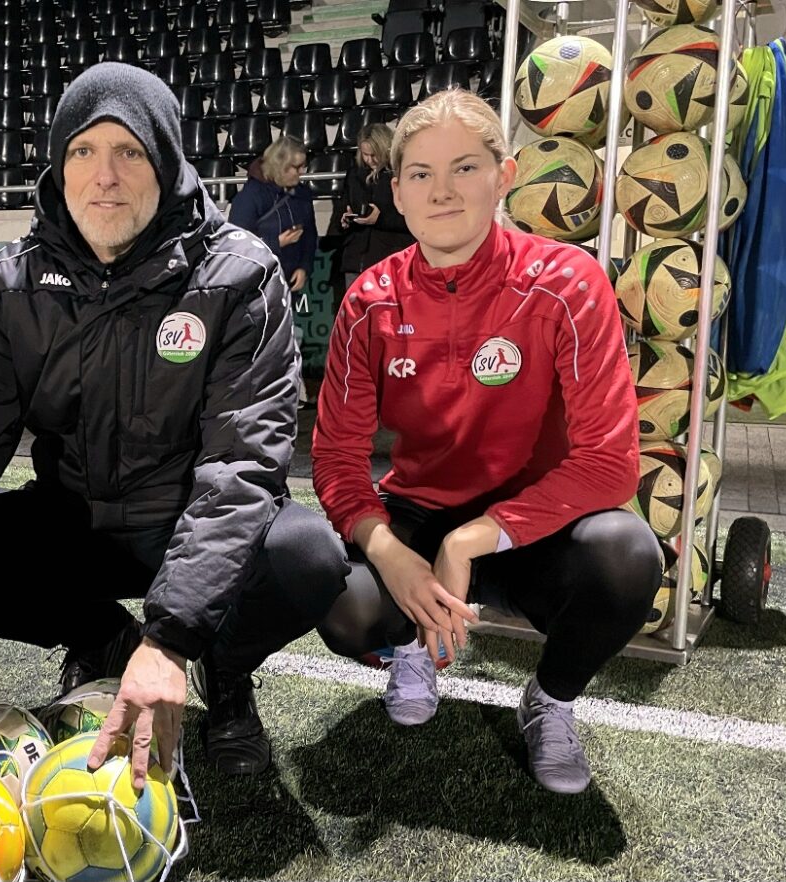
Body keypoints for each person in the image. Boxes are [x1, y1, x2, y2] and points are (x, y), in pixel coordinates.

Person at [0, 63, 349, 783]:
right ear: (59, 165)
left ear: (166, 162)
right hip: (70, 522)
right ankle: (102, 637)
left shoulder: (239, 274)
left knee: (307, 557)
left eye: (128, 153)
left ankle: (225, 676)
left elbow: (240, 470)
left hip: (184, 517)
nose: (103, 176)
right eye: (83, 152)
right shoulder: (14, 283)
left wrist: (171, 641)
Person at [310, 89, 661, 794]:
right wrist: (393, 555)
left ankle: (550, 701)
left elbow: (609, 463)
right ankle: (410, 651)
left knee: (628, 559)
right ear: (398, 194)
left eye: (464, 168)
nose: (441, 192)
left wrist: (471, 539)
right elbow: (338, 457)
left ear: (505, 177)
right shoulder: (370, 299)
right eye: (420, 175)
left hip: (536, 523)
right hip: (418, 508)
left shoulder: (568, 282)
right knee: (337, 594)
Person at [228, 137, 317, 405]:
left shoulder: (301, 194)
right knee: (261, 339)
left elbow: (310, 234)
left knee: (287, 336)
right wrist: (275, 243)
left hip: (287, 277)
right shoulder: (249, 197)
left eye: (302, 167)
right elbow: (237, 242)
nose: (301, 173)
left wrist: (304, 266)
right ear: (279, 166)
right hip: (258, 281)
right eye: (295, 167)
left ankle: (290, 391)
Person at [332, 123, 414, 293]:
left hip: (390, 257)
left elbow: (414, 220)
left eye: (374, 155)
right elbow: (343, 206)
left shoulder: (403, 174)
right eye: (365, 154)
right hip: (356, 259)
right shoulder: (354, 174)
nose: (369, 160)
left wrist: (380, 219)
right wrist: (344, 220)